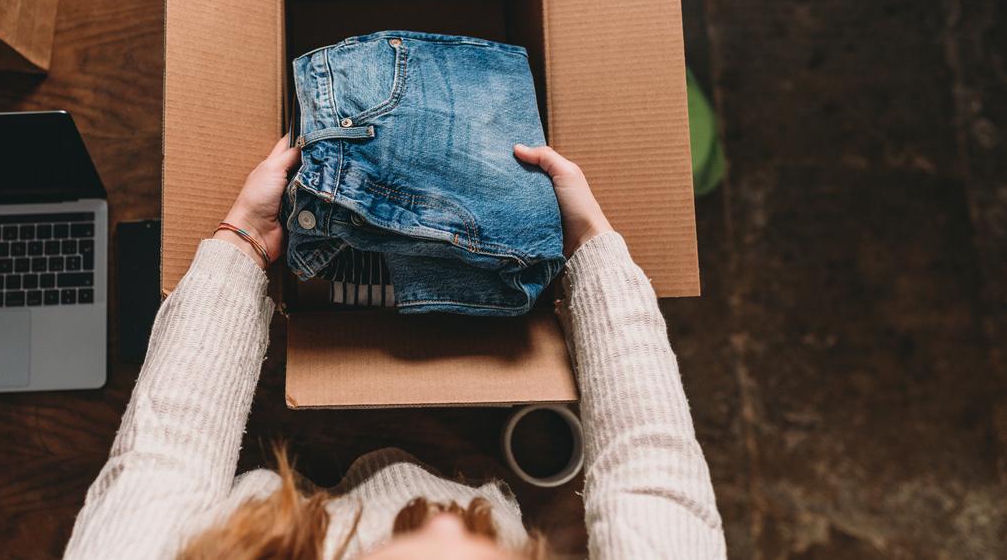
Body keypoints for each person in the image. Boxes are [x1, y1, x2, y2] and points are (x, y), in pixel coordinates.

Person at [65, 137, 725, 559]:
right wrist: (592, 253)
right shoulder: (468, 518)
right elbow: (655, 476)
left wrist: (241, 242)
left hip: (263, 523)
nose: (447, 522)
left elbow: (166, 453)